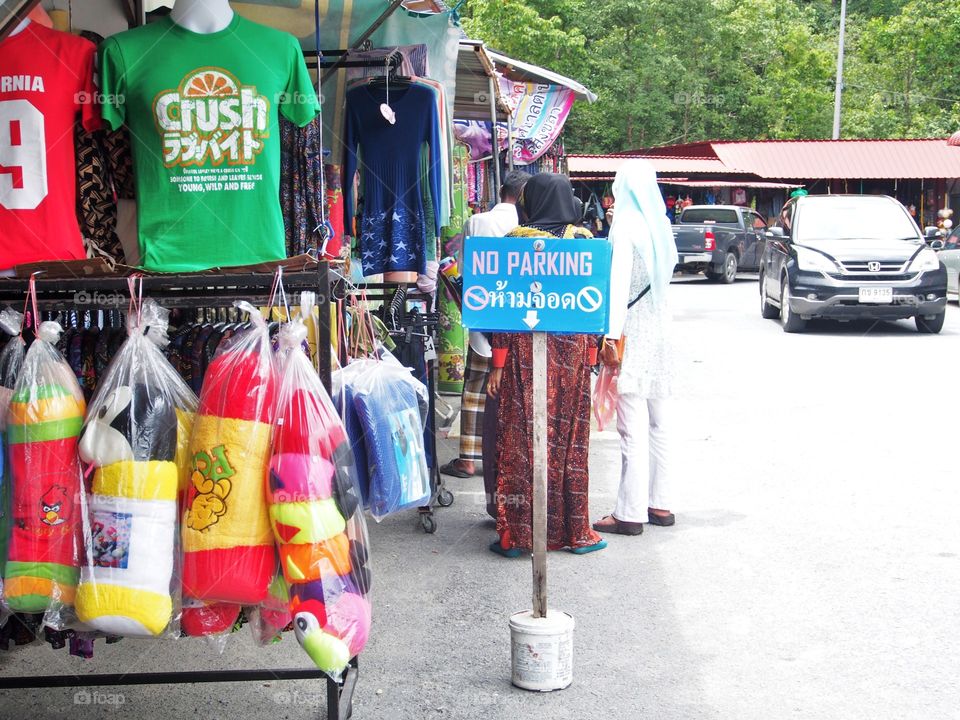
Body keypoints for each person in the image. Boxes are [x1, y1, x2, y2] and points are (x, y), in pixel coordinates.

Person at [486, 173, 607, 557]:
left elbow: (504, 309)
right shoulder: (584, 243)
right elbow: (595, 307)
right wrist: (591, 358)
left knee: (519, 439)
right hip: (571, 358)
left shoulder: (515, 244)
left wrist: (498, 364)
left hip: (522, 355)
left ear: (531, 202)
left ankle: (516, 536)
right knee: (568, 442)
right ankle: (574, 532)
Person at [593, 159, 679, 536]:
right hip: (661, 329)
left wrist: (610, 336)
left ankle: (629, 513)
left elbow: (618, 286)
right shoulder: (661, 224)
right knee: (660, 422)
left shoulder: (625, 225)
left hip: (633, 330)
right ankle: (661, 503)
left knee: (631, 425)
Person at [441, 171, 530, 483]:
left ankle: (468, 458)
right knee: (512, 391)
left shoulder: (477, 222)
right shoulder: (529, 228)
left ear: (501, 191)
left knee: (475, 389)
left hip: (484, 317)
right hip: (518, 320)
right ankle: (504, 457)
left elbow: (465, 270)